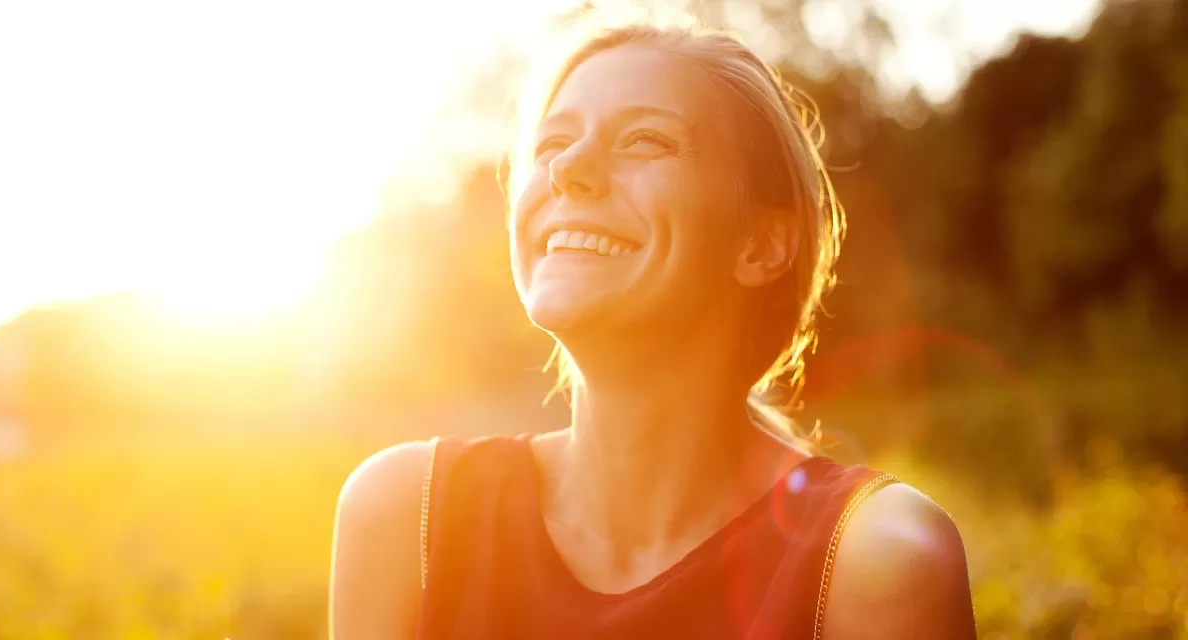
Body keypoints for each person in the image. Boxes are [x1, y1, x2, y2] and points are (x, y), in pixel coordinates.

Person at [330, 18, 977, 640]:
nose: (565, 169)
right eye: (551, 144)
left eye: (644, 140)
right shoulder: (406, 518)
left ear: (762, 244)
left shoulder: (876, 557)